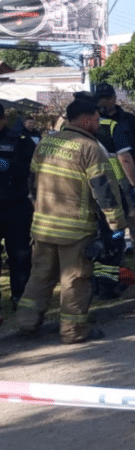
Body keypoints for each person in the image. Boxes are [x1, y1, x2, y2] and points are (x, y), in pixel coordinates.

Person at [15, 96, 126, 343]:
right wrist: (117, 226)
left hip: (43, 227)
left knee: (40, 275)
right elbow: (103, 191)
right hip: (74, 231)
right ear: (86, 121)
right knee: (75, 280)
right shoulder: (90, 148)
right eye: (97, 120)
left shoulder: (45, 143)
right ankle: (74, 331)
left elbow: (31, 182)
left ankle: (26, 322)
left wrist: (38, 209)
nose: (99, 124)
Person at [96, 82, 135, 272]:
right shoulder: (94, 121)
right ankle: (116, 260)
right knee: (112, 223)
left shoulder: (128, 120)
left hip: (127, 180)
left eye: (107, 98)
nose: (104, 102)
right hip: (104, 183)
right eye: (100, 99)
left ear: (114, 98)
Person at [0, 105, 37, 311]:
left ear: (3, 119)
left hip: (16, 205)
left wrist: (8, 166)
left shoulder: (20, 140)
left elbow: (32, 169)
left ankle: (20, 296)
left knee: (20, 254)